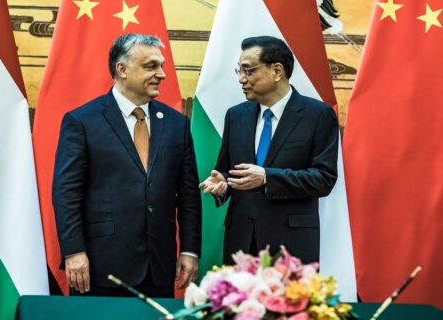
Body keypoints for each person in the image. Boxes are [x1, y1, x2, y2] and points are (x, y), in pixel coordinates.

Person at [53, 33, 201, 297]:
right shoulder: (82, 121)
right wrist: (74, 251)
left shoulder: (177, 124)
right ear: (121, 69)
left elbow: (188, 195)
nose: (162, 74)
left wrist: (189, 250)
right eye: (151, 66)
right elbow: (67, 194)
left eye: (161, 66)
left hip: (158, 267)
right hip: (100, 267)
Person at [199, 36, 338, 264]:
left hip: (290, 246)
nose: (242, 79)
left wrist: (267, 178)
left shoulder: (317, 115)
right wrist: (223, 182)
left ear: (277, 71)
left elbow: (324, 179)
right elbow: (228, 170)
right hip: (241, 242)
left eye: (248, 70)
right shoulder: (236, 115)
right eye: (239, 71)